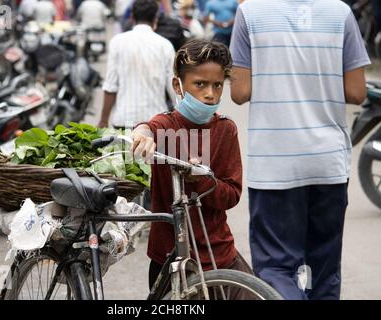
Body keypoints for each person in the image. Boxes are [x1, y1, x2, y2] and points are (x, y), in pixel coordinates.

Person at [230, 0, 371, 300]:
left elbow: (240, 92)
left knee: (276, 269)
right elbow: (357, 92)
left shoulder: (249, 12)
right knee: (324, 270)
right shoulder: (341, 13)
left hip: (274, 166)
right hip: (328, 164)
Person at [131, 39, 253, 298]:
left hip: (219, 252)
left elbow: (232, 194)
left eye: (217, 85)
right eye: (200, 84)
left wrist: (203, 179)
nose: (210, 93)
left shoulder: (225, 130)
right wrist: (141, 134)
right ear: (179, 85)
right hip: (170, 255)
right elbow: (146, 127)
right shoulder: (165, 126)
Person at [98, 0, 175, 129]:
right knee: (155, 150)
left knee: (124, 149)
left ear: (132, 17)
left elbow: (111, 86)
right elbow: (173, 88)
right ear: (155, 18)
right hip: (155, 122)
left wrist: (103, 120)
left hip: (124, 121)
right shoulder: (165, 45)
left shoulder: (117, 42)